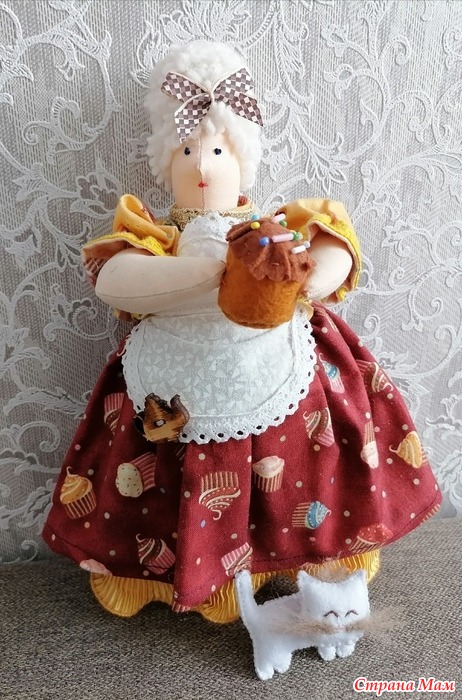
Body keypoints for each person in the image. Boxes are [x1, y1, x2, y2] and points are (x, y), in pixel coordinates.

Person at [43, 41, 441, 623]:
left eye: (217, 150)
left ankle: (303, 555)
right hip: (173, 372)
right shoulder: (152, 234)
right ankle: (163, 575)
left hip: (276, 356)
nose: (202, 167)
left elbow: (333, 243)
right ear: (167, 161)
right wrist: (210, 274)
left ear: (242, 155)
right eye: (187, 151)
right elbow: (117, 278)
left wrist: (301, 278)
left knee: (301, 457)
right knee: (157, 457)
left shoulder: (276, 228)